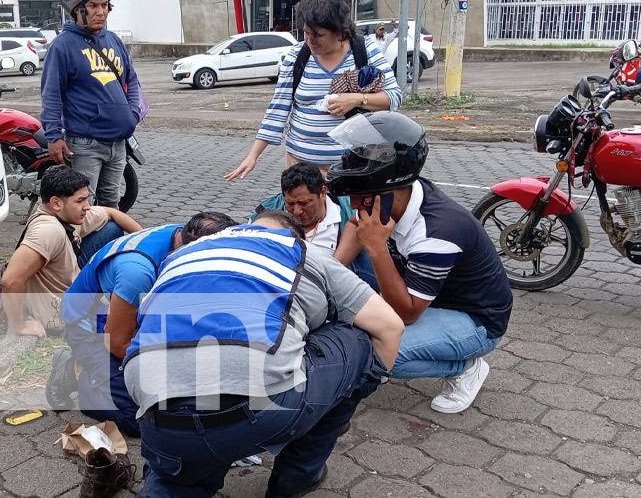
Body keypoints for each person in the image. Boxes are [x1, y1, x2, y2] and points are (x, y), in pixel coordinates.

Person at [123, 210, 404, 497]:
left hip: (156, 414)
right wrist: (354, 388)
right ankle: (297, 475)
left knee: (177, 476)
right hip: (255, 411)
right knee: (357, 337)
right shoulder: (299, 250)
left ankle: (174, 482)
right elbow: (390, 327)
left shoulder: (186, 251)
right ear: (297, 235)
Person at [327, 111, 513, 414]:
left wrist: (376, 248)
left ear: (388, 189)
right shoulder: (400, 193)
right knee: (355, 256)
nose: (357, 205)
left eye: (361, 197)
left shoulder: (436, 234)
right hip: (430, 293)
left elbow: (406, 313)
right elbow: (354, 224)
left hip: (475, 319)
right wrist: (329, 275)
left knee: (378, 351)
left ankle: (464, 368)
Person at [46, 213, 237, 436]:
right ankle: (75, 374)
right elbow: (117, 343)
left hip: (132, 319)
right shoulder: (137, 271)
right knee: (140, 418)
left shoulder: (182, 234)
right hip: (93, 331)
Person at [225, 0, 402, 181]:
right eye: (305, 33)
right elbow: (277, 110)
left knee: (350, 211)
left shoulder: (364, 50)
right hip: (301, 168)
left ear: (340, 31)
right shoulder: (297, 55)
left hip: (352, 169)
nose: (309, 40)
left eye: (318, 35)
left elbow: (394, 97)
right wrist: (252, 156)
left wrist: (356, 99)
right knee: (301, 210)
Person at [1, 165, 141, 337]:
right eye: (80, 201)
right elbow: (10, 280)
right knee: (138, 316)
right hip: (62, 312)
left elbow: (111, 212)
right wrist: (20, 325)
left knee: (112, 228)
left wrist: (144, 239)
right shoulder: (48, 230)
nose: (87, 206)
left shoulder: (66, 215)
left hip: (70, 277)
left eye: (86, 199)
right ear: (56, 203)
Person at [41, 0, 140, 209]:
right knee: (81, 206)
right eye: (94, 6)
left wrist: (132, 114)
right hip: (85, 144)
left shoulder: (114, 40)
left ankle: (108, 243)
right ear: (78, 10)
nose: (101, 12)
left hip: (118, 142)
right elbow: (51, 94)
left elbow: (131, 80)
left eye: (104, 5)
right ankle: (79, 243)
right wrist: (53, 135)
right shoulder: (62, 46)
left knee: (111, 205)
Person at [251, 162, 377, 289]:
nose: (297, 211)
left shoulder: (350, 213)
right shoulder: (263, 215)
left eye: (304, 203)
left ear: (323, 193)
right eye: (290, 203)